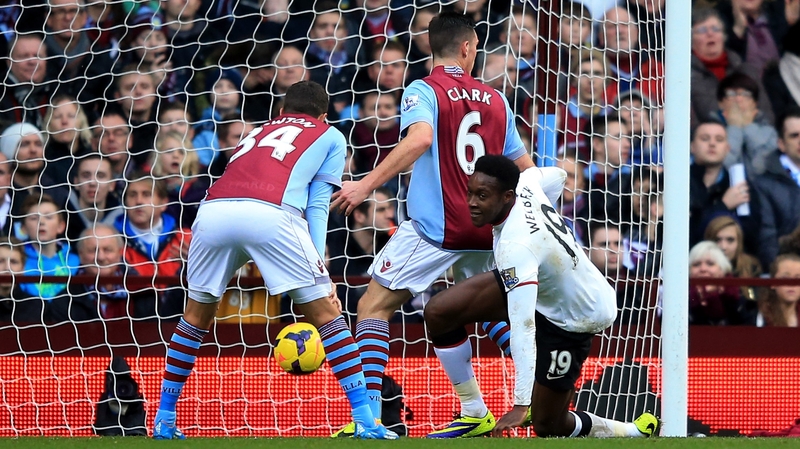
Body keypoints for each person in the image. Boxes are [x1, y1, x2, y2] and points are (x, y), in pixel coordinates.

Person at [152, 80, 397, 440]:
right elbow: (316, 204)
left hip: (213, 211)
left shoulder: (256, 130)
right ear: (323, 115)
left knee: (195, 318)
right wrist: (320, 267)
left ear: (281, 112)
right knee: (328, 316)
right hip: (271, 213)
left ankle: (165, 418)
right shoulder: (329, 134)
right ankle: (365, 419)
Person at [331, 12, 534, 438]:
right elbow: (524, 167)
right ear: (467, 49)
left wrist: (365, 185)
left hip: (434, 229)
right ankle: (528, 394)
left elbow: (421, 138)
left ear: (430, 48)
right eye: (476, 48)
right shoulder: (497, 99)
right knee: (472, 311)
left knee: (372, 308)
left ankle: (369, 422)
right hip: (487, 229)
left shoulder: (422, 89)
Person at [423, 154, 659, 438]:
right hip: (542, 283)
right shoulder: (527, 182)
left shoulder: (517, 246)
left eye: (482, 196)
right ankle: (474, 412)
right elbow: (559, 176)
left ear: (507, 196)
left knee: (548, 425)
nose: (472, 203)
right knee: (439, 312)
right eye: (470, 192)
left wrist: (521, 404)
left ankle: (632, 432)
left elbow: (523, 326)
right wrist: (547, 216)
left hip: (577, 316)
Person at [757, 252, 800, 327]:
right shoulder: (759, 317)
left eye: (797, 279)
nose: (792, 284)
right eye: (785, 278)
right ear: (773, 283)